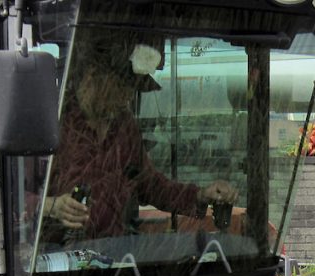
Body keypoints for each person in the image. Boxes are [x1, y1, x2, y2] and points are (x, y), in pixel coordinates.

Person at [41, 39, 236, 241]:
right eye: (120, 88)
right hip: (58, 260)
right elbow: (14, 196)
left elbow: (151, 186)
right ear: (92, 77)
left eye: (131, 90)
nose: (126, 99)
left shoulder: (124, 126)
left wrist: (201, 195)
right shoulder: (50, 121)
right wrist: (51, 206)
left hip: (113, 255)